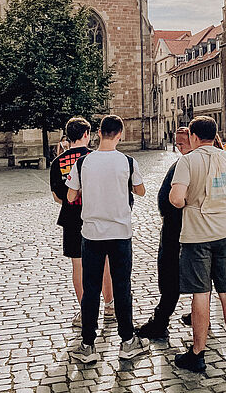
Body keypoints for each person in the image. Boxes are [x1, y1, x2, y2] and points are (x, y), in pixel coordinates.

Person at [169, 116, 226, 372]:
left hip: (197, 235)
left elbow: (176, 198)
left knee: (201, 293)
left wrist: (187, 203)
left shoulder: (187, 161)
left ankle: (197, 353)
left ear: (194, 137)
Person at [66, 115, 148, 363]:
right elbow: (141, 191)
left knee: (91, 289)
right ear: (120, 134)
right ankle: (127, 341)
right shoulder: (128, 162)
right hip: (120, 233)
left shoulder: (83, 163)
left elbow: (70, 197)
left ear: (98, 133)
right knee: (122, 287)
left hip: (92, 234)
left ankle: (88, 345)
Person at [50, 117, 115, 328]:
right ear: (87, 135)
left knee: (78, 265)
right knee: (104, 262)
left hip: (71, 218)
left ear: (68, 136)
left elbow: (57, 197)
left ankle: (86, 312)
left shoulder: (57, 163)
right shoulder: (95, 158)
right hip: (97, 215)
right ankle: (110, 306)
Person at [136, 127, 192, 339]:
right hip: (180, 228)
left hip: (177, 229)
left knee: (170, 275)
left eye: (181, 144)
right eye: (176, 144)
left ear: (194, 140)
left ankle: (160, 321)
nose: (178, 148)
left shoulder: (187, 164)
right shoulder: (188, 162)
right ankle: (194, 315)